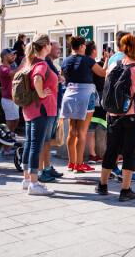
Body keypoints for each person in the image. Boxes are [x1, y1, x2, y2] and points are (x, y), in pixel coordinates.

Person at [97, 34, 135, 202]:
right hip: (132, 116)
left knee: (111, 150)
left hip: (113, 115)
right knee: (129, 152)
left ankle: (102, 185)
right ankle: (125, 190)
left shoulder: (114, 65)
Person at [61, 35, 106, 173]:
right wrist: (108, 59)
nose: (86, 46)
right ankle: (80, 164)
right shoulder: (87, 60)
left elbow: (63, 79)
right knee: (82, 132)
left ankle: (72, 163)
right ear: (81, 46)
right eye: (85, 45)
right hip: (85, 95)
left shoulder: (66, 61)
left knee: (72, 131)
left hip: (69, 94)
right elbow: (103, 73)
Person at [20, 34, 59, 196]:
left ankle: (27, 179)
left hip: (30, 108)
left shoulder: (30, 61)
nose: (51, 46)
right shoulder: (41, 63)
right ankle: (35, 184)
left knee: (30, 142)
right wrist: (42, 93)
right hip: (41, 108)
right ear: (45, 46)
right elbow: (37, 78)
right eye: (50, 43)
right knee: (36, 144)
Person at [38, 42, 65, 183]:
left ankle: (47, 167)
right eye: (57, 49)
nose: (59, 52)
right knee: (44, 140)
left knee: (48, 140)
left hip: (53, 105)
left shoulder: (50, 63)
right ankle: (41, 170)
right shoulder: (45, 64)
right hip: (48, 106)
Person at [0, 48, 24, 155]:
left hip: (13, 98)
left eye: (14, 55)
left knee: (16, 120)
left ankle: (9, 142)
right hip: (8, 99)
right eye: (11, 55)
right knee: (10, 122)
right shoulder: (2, 69)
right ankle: (5, 148)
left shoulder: (7, 67)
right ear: (5, 57)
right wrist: (23, 62)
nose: (14, 57)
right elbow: (14, 73)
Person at [86, 42, 108, 164]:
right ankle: (110, 155)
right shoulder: (94, 64)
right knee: (108, 128)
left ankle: (93, 155)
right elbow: (103, 72)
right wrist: (107, 59)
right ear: (93, 51)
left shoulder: (85, 63)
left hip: (90, 99)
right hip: (101, 98)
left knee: (90, 129)